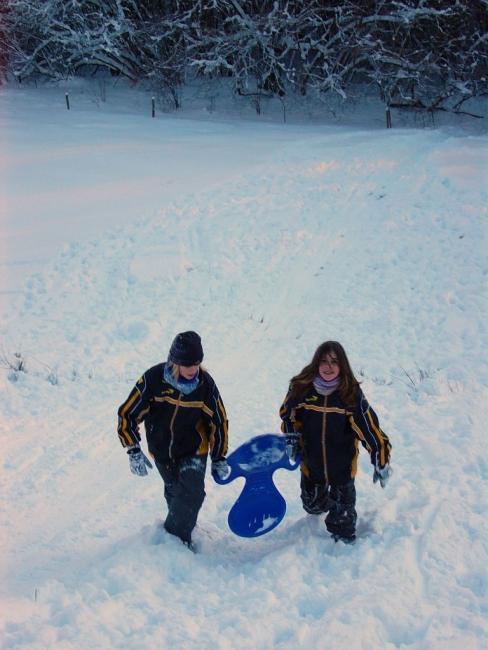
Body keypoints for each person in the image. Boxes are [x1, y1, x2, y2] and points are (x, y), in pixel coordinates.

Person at [117, 331, 229, 551]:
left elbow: (219, 420)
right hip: (161, 450)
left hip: (194, 449)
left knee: (192, 493)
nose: (192, 370)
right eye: (187, 364)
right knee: (175, 492)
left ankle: (174, 544)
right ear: (175, 361)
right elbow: (127, 413)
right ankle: (178, 532)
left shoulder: (205, 385)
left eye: (196, 364)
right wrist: (133, 448)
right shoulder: (153, 379)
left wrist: (219, 456)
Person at [279, 340, 392, 544]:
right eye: (323, 361)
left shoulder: (350, 395)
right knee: (312, 506)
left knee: (343, 522)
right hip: (311, 463)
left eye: (334, 361)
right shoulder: (302, 389)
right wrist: (291, 436)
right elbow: (288, 415)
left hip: (342, 467)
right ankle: (322, 499)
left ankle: (342, 538)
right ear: (316, 363)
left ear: (342, 365)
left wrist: (380, 458)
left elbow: (369, 429)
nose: (328, 366)